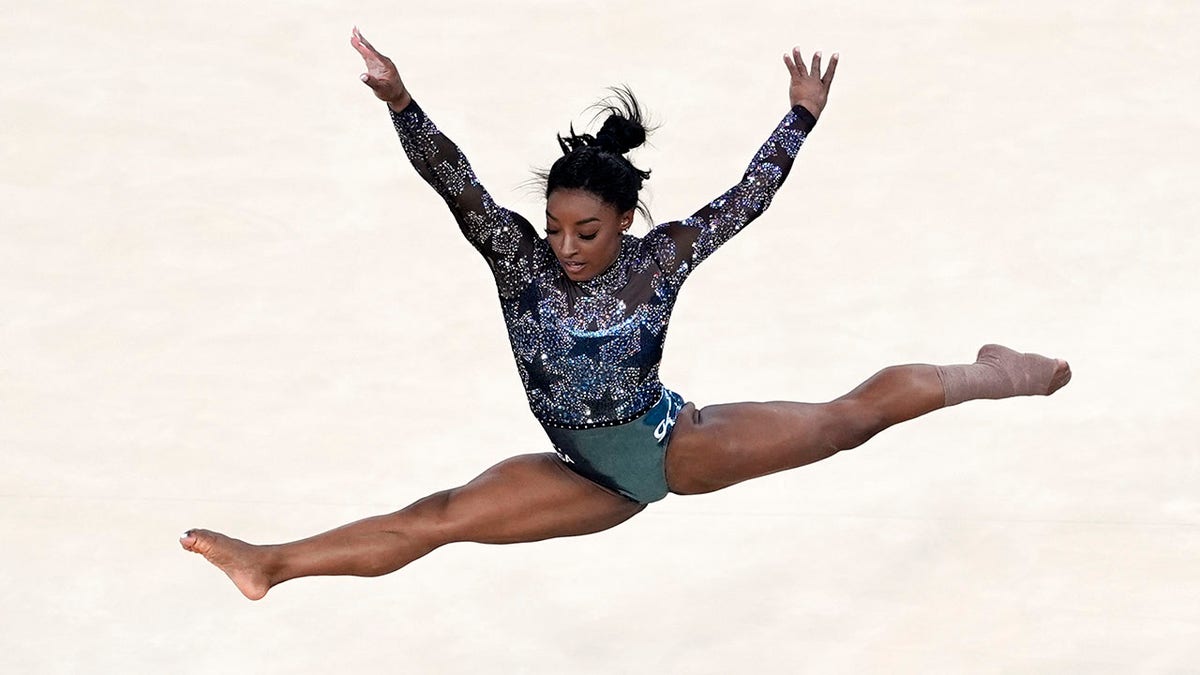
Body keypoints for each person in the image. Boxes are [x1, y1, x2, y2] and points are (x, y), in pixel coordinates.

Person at [181, 28, 1071, 600]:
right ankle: (271, 564)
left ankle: (997, 373)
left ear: (623, 225)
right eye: (557, 228)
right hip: (583, 473)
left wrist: (798, 119)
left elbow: (746, 199)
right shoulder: (515, 259)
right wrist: (402, 104)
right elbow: (454, 181)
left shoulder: (659, 261)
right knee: (440, 516)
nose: (567, 247)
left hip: (666, 444)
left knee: (847, 420)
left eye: (588, 231)